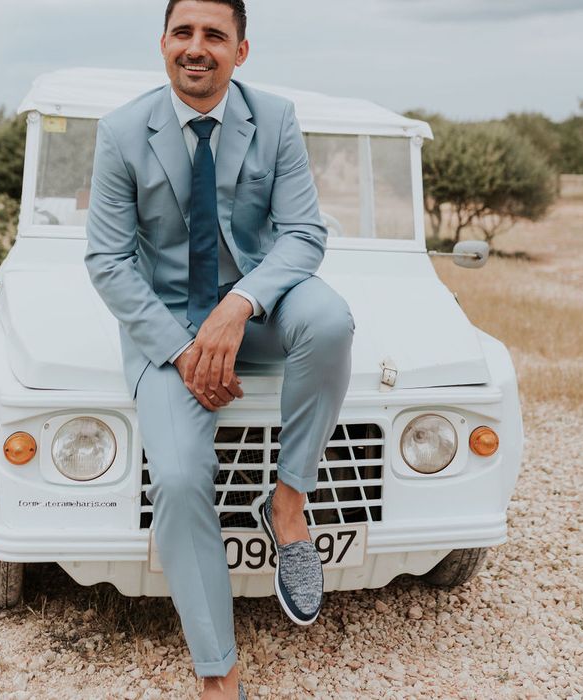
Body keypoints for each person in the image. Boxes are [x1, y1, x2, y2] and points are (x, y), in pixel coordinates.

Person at [84, 1, 354, 698]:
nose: (196, 48)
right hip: (165, 326)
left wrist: (239, 305)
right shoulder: (121, 132)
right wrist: (182, 351)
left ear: (241, 50)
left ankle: (288, 504)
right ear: (164, 44)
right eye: (183, 33)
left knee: (329, 320)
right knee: (175, 480)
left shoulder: (277, 118)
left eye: (214, 35)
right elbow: (109, 262)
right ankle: (218, 671)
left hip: (257, 305)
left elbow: (303, 234)